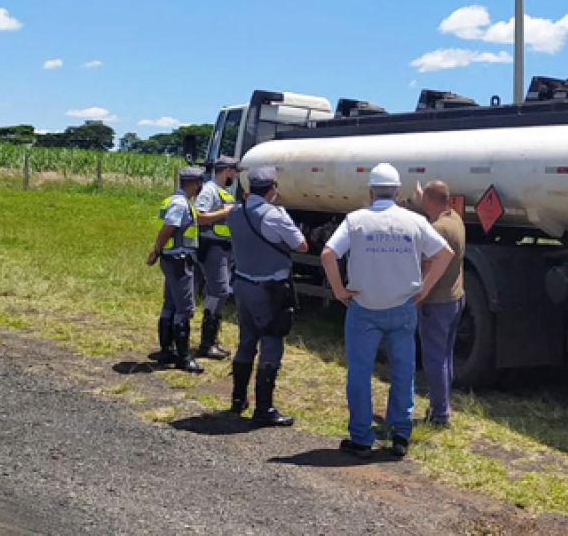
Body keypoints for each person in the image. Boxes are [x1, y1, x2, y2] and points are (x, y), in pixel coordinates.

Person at [320, 163, 454, 458]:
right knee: (403, 371)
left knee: (359, 372)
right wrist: (425, 288)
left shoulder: (355, 220)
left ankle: (361, 438)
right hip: (402, 306)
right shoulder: (414, 221)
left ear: (370, 192)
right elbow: (445, 253)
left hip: (364, 307)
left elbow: (328, 253)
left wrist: (340, 291)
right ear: (397, 192)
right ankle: (400, 434)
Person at [226, 165, 308, 428]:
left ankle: (238, 400)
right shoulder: (274, 216)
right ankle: (264, 408)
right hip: (270, 288)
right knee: (271, 343)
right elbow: (301, 245)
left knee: (246, 341)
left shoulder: (235, 213)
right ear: (272, 189)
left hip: (243, 283)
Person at [415, 181, 466, 427]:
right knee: (446, 356)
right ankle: (443, 404)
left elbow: (428, 264)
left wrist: (419, 294)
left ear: (427, 200)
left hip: (437, 302)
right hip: (456, 297)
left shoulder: (436, 230)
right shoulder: (455, 219)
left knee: (434, 359)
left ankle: (439, 414)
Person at [146, 166, 205, 374]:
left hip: (173, 259)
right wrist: (156, 250)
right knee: (185, 309)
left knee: (170, 304)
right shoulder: (180, 204)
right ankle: (183, 356)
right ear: (196, 184)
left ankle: (166, 350)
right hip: (179, 260)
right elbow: (168, 228)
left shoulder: (175, 200)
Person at [194, 156, 238, 359]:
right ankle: (206, 343)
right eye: (234, 171)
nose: (235, 175)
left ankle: (211, 340)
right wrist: (223, 212)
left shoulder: (223, 191)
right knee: (218, 292)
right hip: (211, 248)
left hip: (223, 248)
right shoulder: (209, 190)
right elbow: (199, 216)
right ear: (226, 170)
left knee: (221, 291)